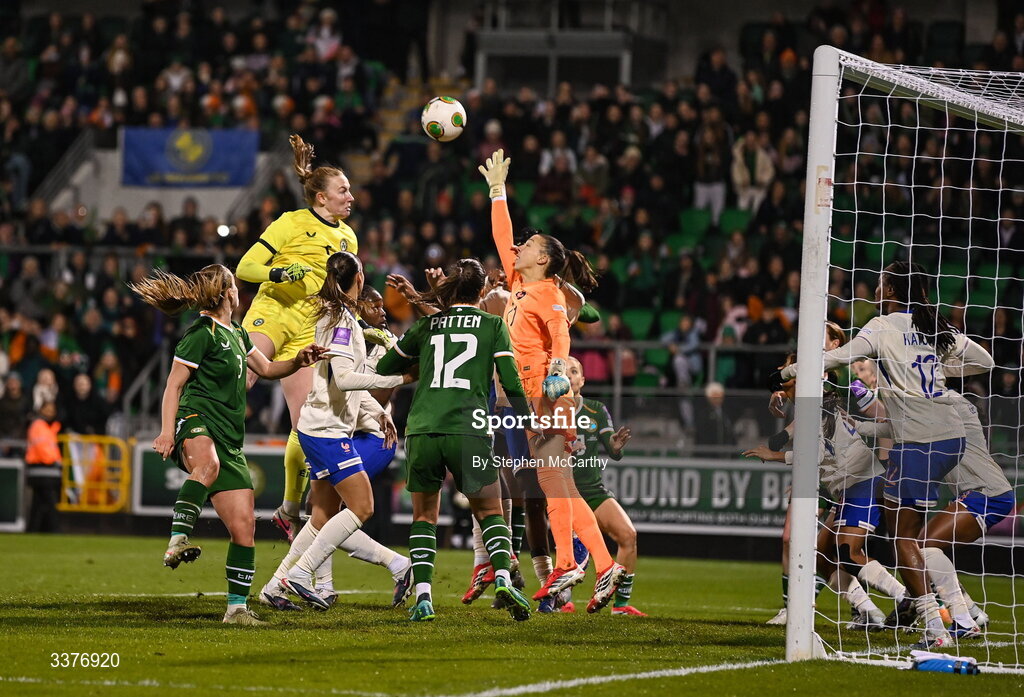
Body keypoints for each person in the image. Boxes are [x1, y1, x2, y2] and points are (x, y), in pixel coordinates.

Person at [773, 261, 994, 648]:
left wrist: (789, 373)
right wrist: (938, 371)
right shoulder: (935, 326)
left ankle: (936, 627)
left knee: (904, 541)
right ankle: (962, 609)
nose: (876, 288)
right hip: (951, 438)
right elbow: (985, 362)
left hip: (918, 441)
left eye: (880, 282)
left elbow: (835, 358)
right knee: (915, 536)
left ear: (890, 289)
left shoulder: (881, 326)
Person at [133, 264, 325, 626]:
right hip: (194, 421)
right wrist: (165, 431)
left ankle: (236, 609)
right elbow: (173, 385)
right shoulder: (201, 334)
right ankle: (177, 540)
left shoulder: (237, 332)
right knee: (208, 466)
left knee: (244, 528)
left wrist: (297, 361)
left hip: (229, 439)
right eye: (235, 287)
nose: (240, 292)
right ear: (226, 294)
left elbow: (267, 369)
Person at [479, 148, 625, 612]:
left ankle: (574, 562)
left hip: (545, 394)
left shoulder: (549, 292)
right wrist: (497, 191)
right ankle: (598, 565)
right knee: (556, 484)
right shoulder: (519, 282)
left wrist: (559, 374)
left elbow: (560, 336)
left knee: (553, 482)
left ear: (543, 261)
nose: (519, 248)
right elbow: (503, 236)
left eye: (530, 246)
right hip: (529, 397)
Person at [376, 258, 534, 622]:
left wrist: (419, 367)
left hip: (424, 428)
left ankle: (424, 597)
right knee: (490, 511)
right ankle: (504, 580)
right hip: (470, 429)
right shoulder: (493, 324)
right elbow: (509, 381)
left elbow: (385, 369)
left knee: (424, 515)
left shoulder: (428, 325)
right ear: (482, 291)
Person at [274, 252, 415, 611]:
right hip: (326, 430)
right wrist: (400, 378)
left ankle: (275, 587)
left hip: (322, 426)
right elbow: (346, 378)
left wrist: (376, 410)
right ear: (358, 279)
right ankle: (305, 574)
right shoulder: (341, 320)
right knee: (362, 506)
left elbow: (340, 386)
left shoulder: (338, 316)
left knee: (322, 514)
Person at [236, 134, 358, 542]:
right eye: (343, 190)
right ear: (321, 198)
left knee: (307, 423)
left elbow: (344, 293)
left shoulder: (349, 239)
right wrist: (280, 273)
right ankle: (195, 437)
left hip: (310, 329)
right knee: (243, 379)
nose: (350, 196)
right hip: (272, 314)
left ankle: (289, 508)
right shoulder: (291, 222)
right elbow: (245, 267)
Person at [857, 390, 1013, 638]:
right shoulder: (939, 403)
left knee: (921, 547)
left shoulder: (946, 401)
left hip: (986, 492)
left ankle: (962, 618)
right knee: (922, 548)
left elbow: (902, 427)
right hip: (976, 493)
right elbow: (901, 429)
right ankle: (970, 614)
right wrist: (857, 425)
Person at [563, 357, 646, 616]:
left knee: (628, 536)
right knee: (576, 549)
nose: (569, 376)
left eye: (574, 371)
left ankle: (620, 606)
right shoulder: (548, 410)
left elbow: (612, 447)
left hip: (594, 491)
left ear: (583, 380)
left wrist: (616, 447)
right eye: (563, 372)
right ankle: (563, 600)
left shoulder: (596, 409)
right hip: (564, 494)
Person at [25, 400, 62, 533]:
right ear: (41, 410)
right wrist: (55, 462)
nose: (50, 412)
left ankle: (33, 530)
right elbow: (43, 448)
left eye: (52, 410)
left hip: (41, 470)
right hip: (43, 469)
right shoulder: (39, 425)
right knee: (50, 503)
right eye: (47, 409)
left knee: (38, 503)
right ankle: (54, 530)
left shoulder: (47, 426)